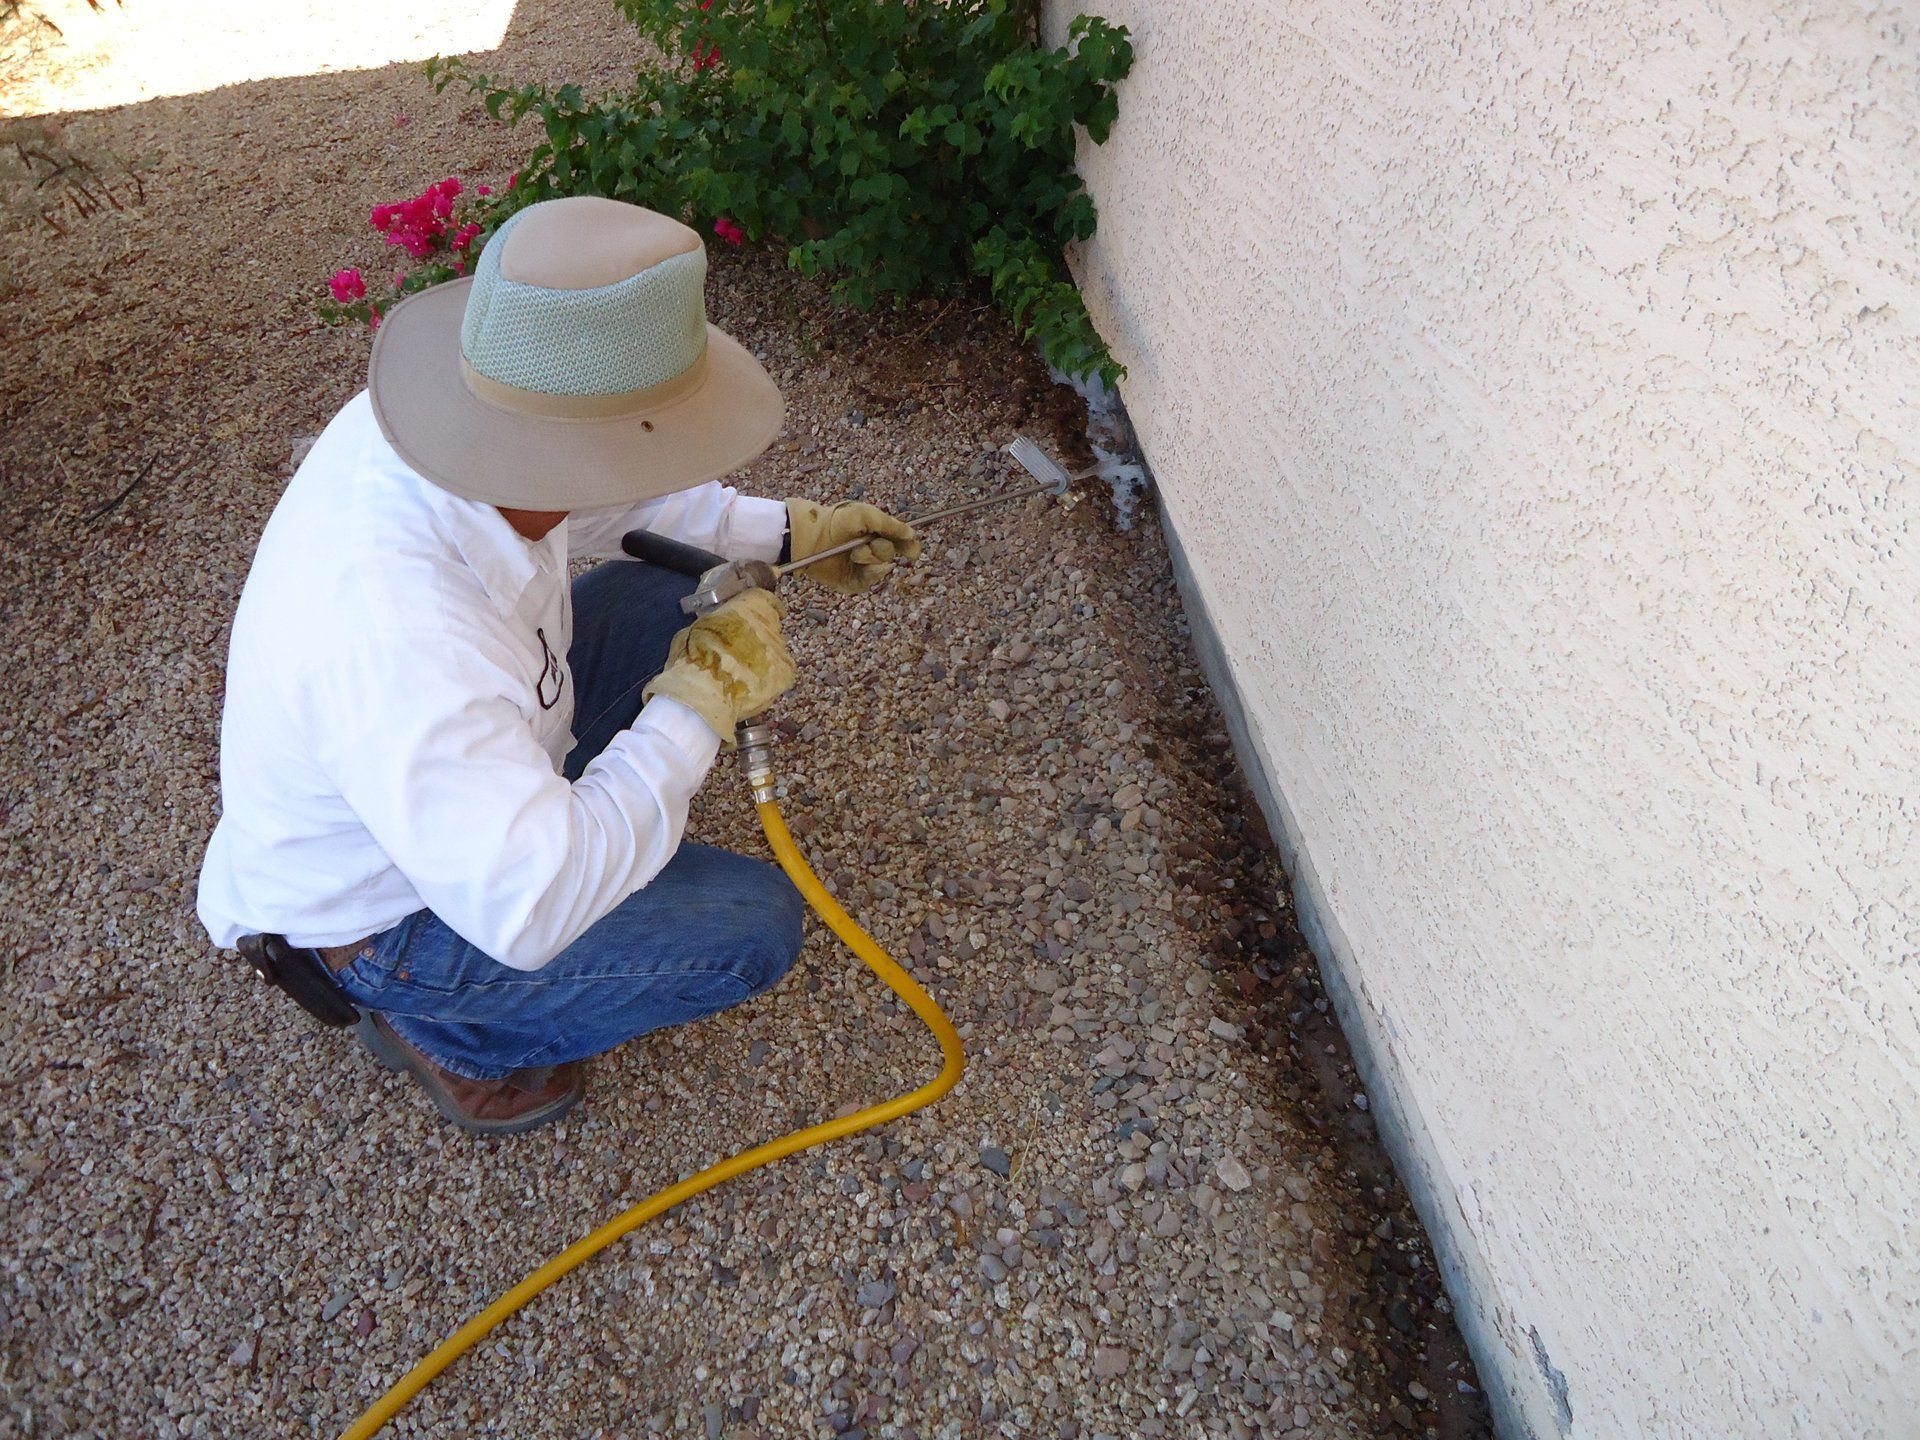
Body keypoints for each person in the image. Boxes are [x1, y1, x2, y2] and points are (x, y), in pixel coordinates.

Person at [197, 196, 920, 1134]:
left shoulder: (455, 429)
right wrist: (695, 709)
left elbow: (604, 504)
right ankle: (451, 1032)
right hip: (392, 915)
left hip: (453, 765)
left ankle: (484, 944)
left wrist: (783, 534)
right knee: (751, 931)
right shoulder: (394, 635)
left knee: (673, 596)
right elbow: (533, 905)